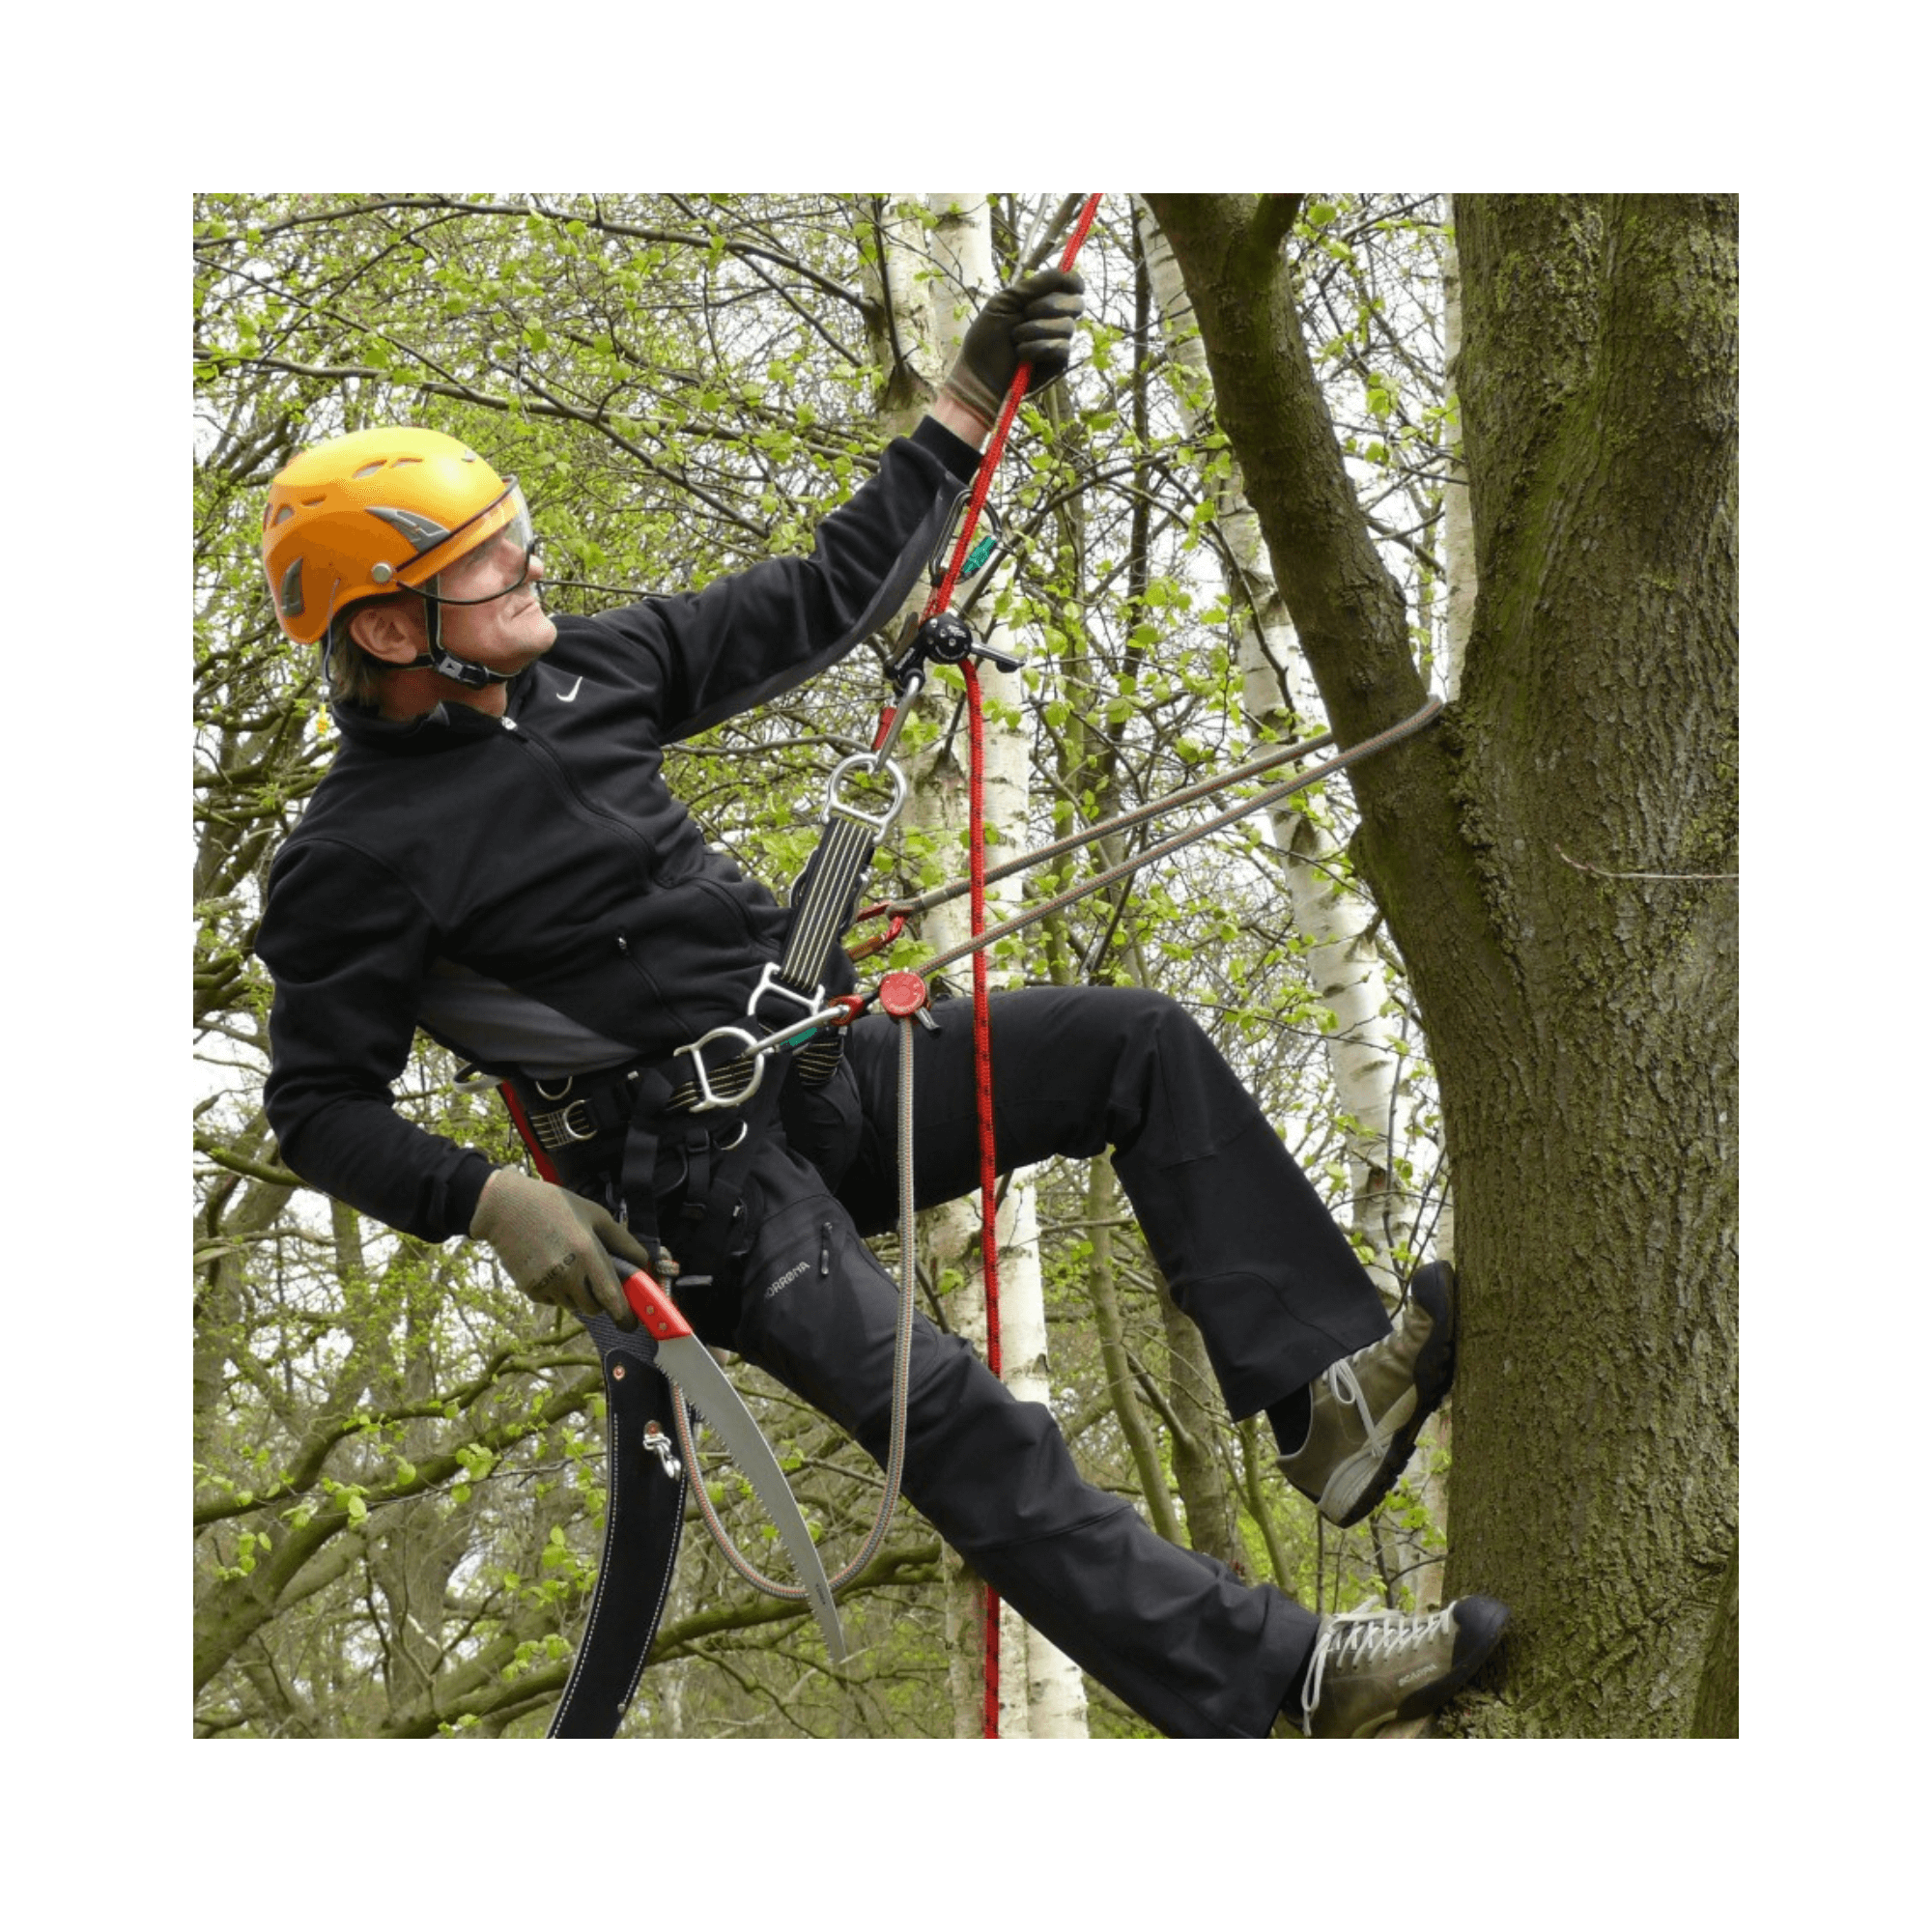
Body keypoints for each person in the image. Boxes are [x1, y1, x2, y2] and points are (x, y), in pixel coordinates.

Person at [255, 269, 1507, 1739]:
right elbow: (315, 1108)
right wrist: (493, 1203)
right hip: (705, 1197)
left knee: (1134, 1044)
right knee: (972, 1425)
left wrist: (966, 409)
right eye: (486, 561)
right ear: (396, 634)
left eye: (515, 534)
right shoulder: (352, 858)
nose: (528, 565)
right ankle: (1280, 1684)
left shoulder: (589, 671)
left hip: (827, 1068)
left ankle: (1326, 1406)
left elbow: (817, 599)